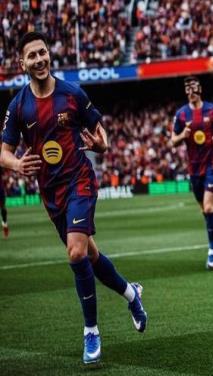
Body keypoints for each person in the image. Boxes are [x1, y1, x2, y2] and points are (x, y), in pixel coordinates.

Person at [0, 31, 147, 365]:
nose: (39, 59)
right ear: (22, 63)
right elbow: (3, 152)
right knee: (90, 255)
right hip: (50, 193)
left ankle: (91, 331)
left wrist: (102, 145)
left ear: (49, 54)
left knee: (76, 252)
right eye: (32, 56)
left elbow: (99, 129)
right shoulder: (18, 105)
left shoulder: (72, 94)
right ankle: (131, 295)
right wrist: (17, 163)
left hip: (79, 181)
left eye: (42, 52)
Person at [172, 76, 213, 269]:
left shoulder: (212, 110)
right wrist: (182, 135)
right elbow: (173, 140)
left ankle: (212, 249)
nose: (191, 92)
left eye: (193, 88)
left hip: (211, 163)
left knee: (209, 207)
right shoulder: (181, 114)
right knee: (205, 210)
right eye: (187, 89)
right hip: (194, 167)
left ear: (200, 89)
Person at [0, 167, 9, 238]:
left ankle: (5, 224)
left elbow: (5, 175)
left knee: (3, 208)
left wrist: (5, 178)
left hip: (0, 190)